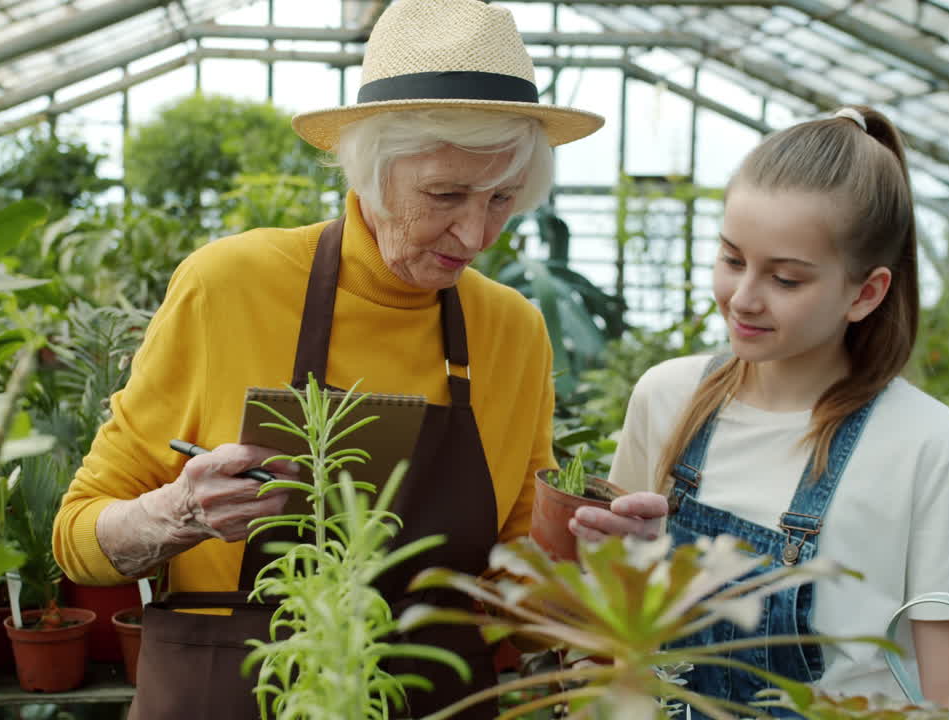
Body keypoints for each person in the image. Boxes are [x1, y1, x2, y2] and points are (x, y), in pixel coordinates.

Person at [51, 1, 603, 718]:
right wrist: (177, 512)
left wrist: (590, 558)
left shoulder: (513, 330)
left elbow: (517, 585)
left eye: (502, 199)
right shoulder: (230, 286)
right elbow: (78, 539)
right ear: (370, 170)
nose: (475, 232)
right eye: (445, 194)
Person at [571, 106, 949, 718]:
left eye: (785, 279)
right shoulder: (665, 397)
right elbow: (612, 634)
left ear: (866, 293)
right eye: (731, 260)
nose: (743, 298)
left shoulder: (930, 448)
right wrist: (625, 558)